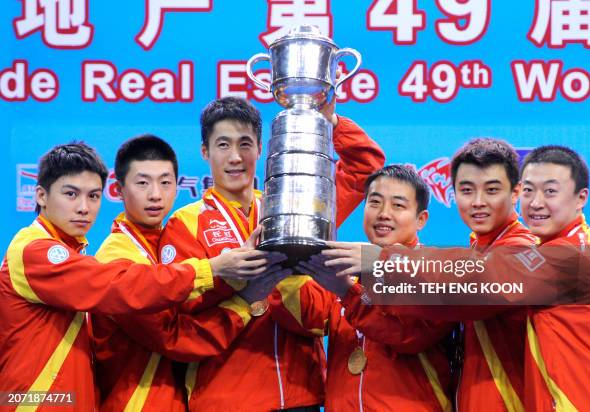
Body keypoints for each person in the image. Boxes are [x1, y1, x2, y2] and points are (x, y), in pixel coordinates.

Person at [156, 96, 385, 410]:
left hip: (301, 396)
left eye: (245, 144)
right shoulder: (186, 224)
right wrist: (240, 284)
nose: (235, 157)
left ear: (261, 149)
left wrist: (330, 122)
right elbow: (181, 305)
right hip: (227, 399)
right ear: (205, 151)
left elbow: (364, 170)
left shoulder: (295, 208)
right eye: (223, 145)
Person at [0, 142, 225, 411]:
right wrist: (209, 270)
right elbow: (119, 286)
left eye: (93, 196)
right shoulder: (33, 251)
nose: (84, 207)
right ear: (41, 195)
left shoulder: (75, 254)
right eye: (71, 194)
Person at [319, 138, 538, 411]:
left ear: (516, 193)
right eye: (466, 190)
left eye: (492, 189)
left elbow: (414, 335)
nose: (478, 202)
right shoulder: (472, 254)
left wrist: (376, 266)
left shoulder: (524, 250)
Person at [92, 135, 286, 411]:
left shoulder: (169, 241)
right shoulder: (116, 257)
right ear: (118, 190)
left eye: (165, 182)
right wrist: (243, 302)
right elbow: (174, 337)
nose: (156, 194)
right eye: (143, 183)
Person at [296, 165, 453, 411]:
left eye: (398, 206)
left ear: (421, 219)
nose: (383, 214)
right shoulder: (346, 269)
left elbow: (410, 337)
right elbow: (306, 319)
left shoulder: (433, 270)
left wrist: (348, 294)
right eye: (375, 203)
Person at [519, 145, 590, 411]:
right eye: (527, 190)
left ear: (581, 198)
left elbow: (479, 286)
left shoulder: (567, 256)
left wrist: (396, 262)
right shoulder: (583, 240)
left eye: (550, 191)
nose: (536, 203)